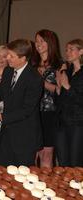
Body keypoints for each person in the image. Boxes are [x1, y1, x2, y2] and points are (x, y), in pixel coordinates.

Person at [34, 29, 62, 168]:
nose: (38, 44)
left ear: (50, 43)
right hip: (31, 112)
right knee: (32, 152)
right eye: (37, 41)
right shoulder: (31, 64)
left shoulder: (60, 65)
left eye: (42, 41)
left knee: (46, 154)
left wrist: (41, 81)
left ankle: (47, 187)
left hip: (49, 113)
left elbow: (59, 90)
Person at [55, 39, 83, 167]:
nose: (68, 52)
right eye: (66, 49)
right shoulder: (67, 72)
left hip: (78, 123)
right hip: (62, 122)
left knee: (75, 163)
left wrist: (67, 87)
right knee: (62, 162)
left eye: (71, 49)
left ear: (81, 51)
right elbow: (59, 101)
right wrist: (59, 88)